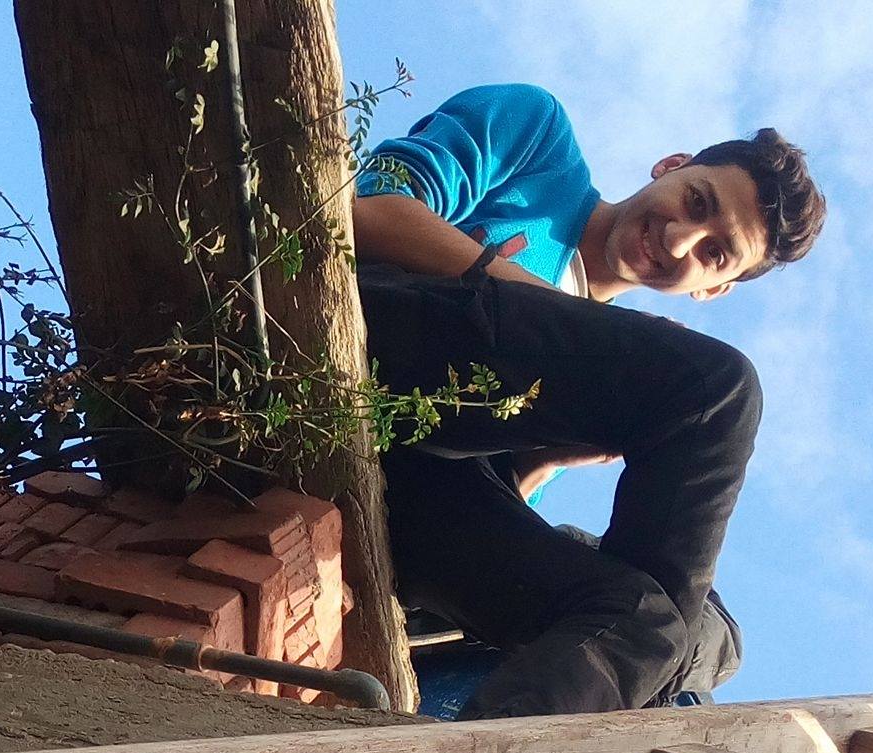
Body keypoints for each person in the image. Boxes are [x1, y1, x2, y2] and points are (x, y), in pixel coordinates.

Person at [352, 84, 825, 715]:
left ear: (714, 290)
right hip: (375, 340)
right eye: (696, 201)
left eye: (714, 254)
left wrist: (547, 459)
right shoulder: (540, 139)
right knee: (718, 389)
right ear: (671, 165)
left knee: (648, 623)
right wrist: (544, 302)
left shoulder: (600, 381)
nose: (678, 240)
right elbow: (368, 208)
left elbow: (467, 498)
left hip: (410, 485)